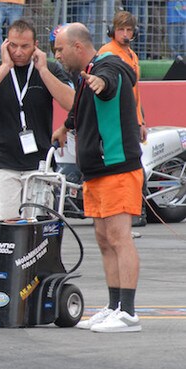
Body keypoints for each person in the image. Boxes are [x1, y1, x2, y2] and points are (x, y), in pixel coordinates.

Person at [51, 23, 143, 333]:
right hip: (95, 171)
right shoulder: (86, 74)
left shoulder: (107, 66)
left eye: (60, 50)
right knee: (104, 240)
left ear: (77, 47)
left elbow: (109, 82)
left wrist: (100, 83)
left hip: (117, 167)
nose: (57, 56)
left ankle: (128, 313)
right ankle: (114, 305)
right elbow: (81, 108)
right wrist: (65, 127)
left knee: (119, 238)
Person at [0, 19, 74, 227]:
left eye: (25, 46)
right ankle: (0, 250)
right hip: (4, 160)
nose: (18, 52)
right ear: (5, 44)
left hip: (39, 162)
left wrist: (43, 70)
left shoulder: (49, 69)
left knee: (37, 225)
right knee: (6, 223)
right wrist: (5, 66)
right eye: (13, 45)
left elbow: (71, 102)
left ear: (35, 45)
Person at [99, 10, 148, 227]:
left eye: (129, 30)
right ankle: (127, 210)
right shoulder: (107, 53)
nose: (125, 34)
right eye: (121, 29)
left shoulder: (132, 56)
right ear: (112, 31)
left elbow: (136, 94)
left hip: (132, 121)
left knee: (134, 166)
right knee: (125, 168)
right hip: (116, 121)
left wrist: (141, 121)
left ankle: (136, 210)